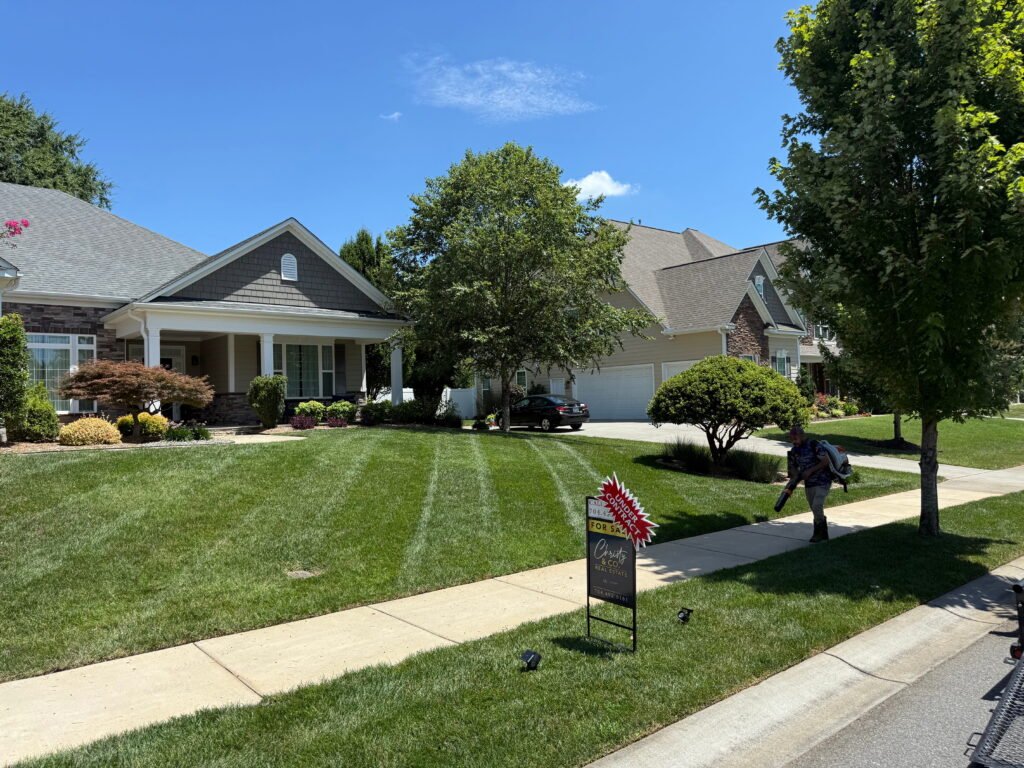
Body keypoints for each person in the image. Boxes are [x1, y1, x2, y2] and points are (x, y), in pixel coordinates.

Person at [787, 425, 832, 543]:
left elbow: (825, 461)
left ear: (802, 436)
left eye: (795, 438)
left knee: (817, 505)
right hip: (809, 484)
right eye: (791, 439)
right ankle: (824, 533)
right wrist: (795, 475)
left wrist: (810, 471)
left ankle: (817, 534)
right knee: (814, 509)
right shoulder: (794, 451)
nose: (793, 441)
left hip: (823, 481)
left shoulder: (814, 445)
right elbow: (792, 467)